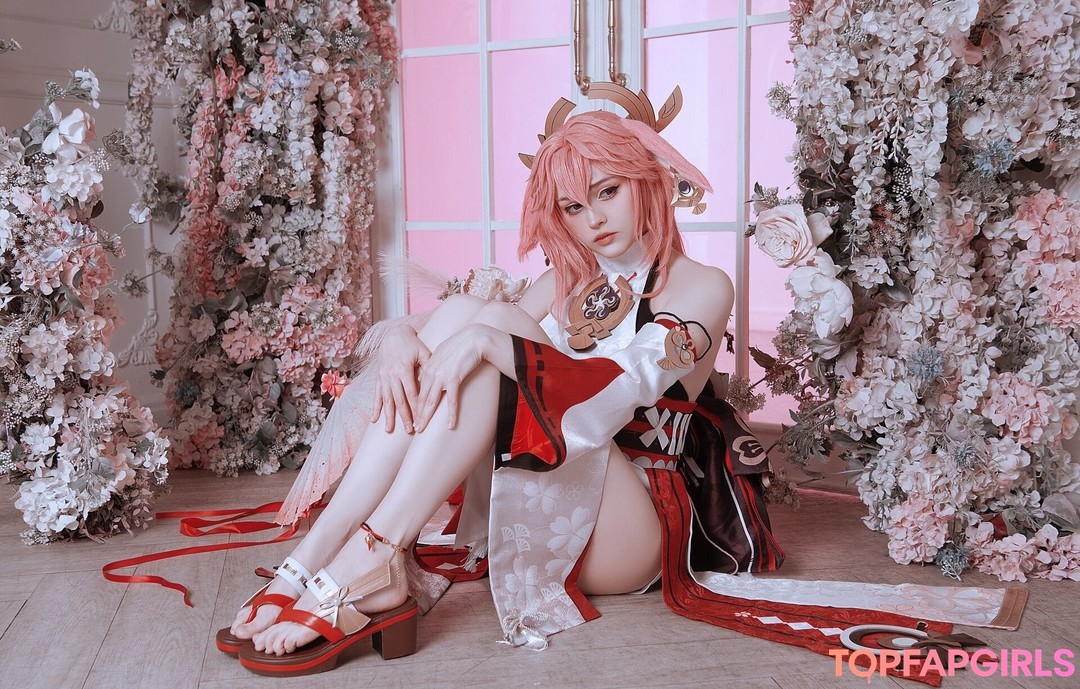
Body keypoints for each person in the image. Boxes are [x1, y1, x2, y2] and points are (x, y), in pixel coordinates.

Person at [219, 84, 783, 676]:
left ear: (649, 178)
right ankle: (318, 555)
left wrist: (491, 341)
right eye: (572, 207)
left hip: (626, 525)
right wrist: (401, 339)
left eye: (608, 191)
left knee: (493, 331)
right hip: (542, 492)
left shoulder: (704, 285)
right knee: (473, 317)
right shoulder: (567, 279)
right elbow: (468, 328)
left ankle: (373, 553)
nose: (593, 220)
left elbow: (622, 388)